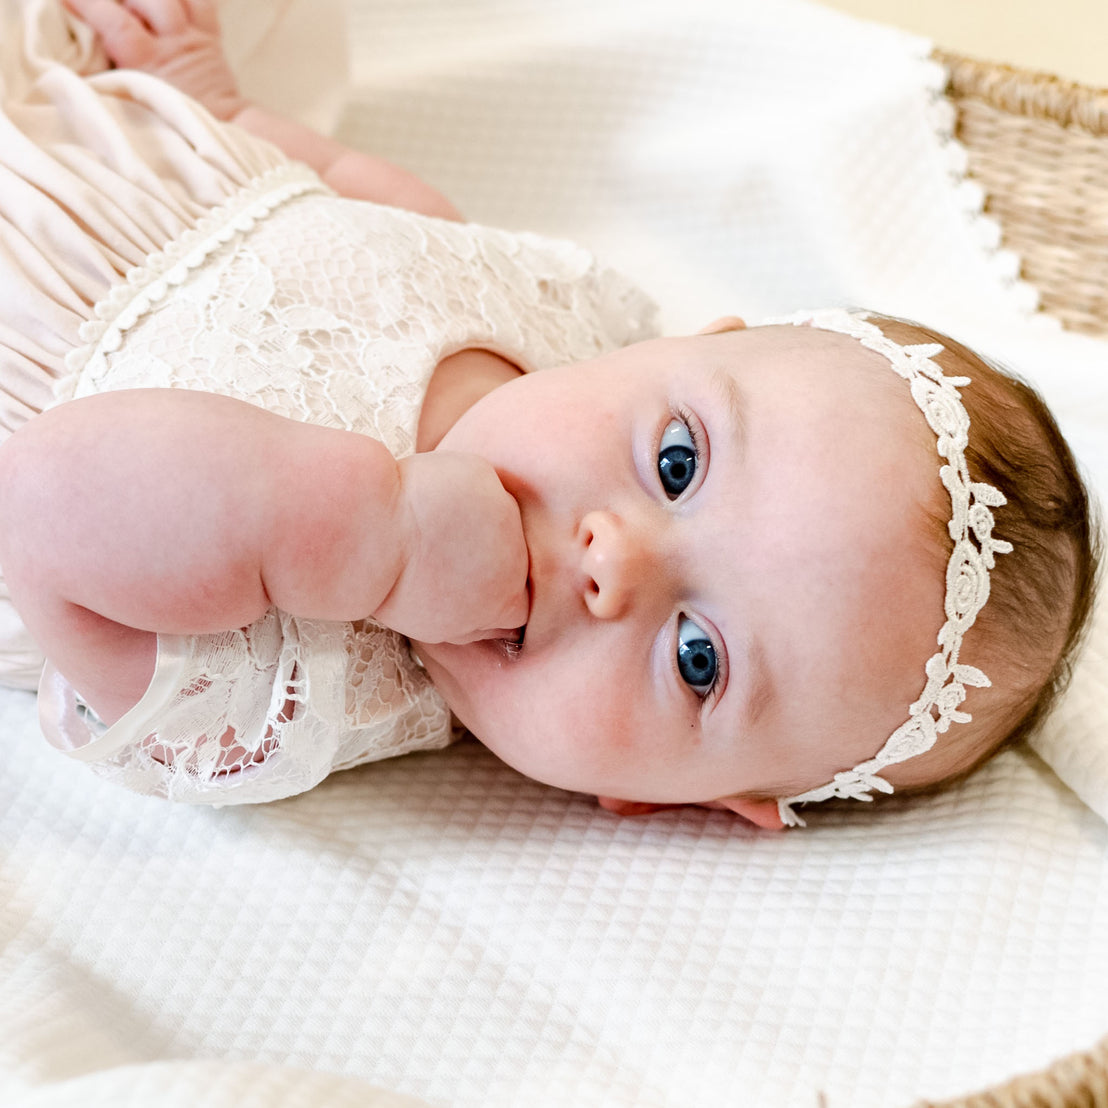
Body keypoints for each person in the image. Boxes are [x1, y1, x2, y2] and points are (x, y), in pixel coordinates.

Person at [0, 0, 1096, 828]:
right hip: (101, 143)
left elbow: (43, 503)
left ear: (668, 803)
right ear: (689, 344)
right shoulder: (562, 323)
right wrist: (216, 102)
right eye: (678, 461)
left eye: (697, 659)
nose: (613, 560)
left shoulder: (301, 697)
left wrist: (363, 540)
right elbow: (370, 207)